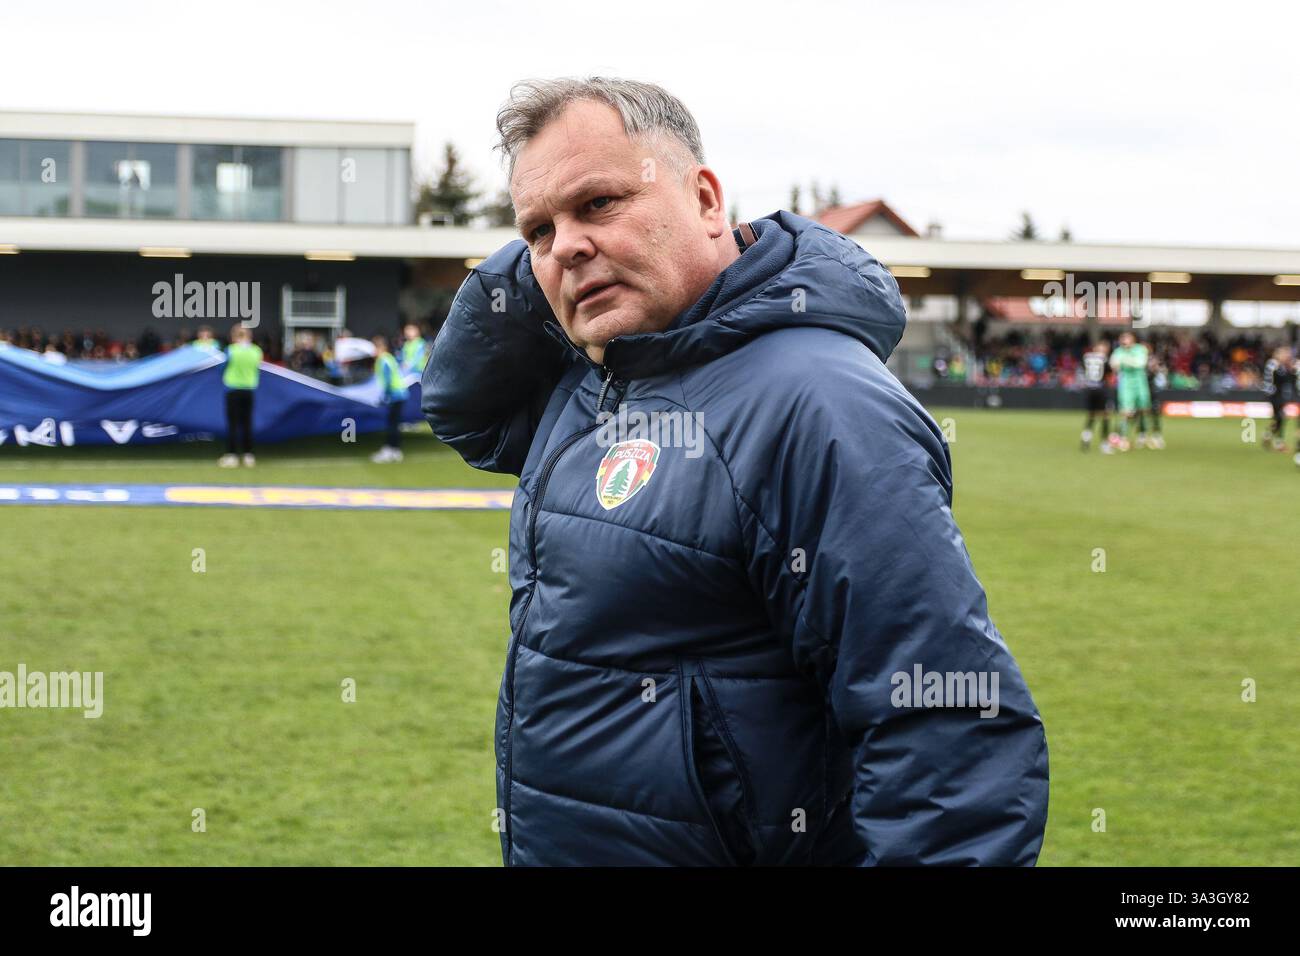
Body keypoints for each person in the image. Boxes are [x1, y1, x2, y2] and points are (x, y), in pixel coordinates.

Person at [422, 77, 1048, 866]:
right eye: (537, 231)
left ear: (708, 200)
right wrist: (561, 236)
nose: (565, 246)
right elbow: (461, 411)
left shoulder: (818, 401)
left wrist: (564, 229)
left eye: (601, 203)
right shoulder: (596, 382)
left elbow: (944, 723)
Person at [220, 324, 261, 467]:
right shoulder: (256, 351)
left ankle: (232, 455)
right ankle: (249, 455)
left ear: (234, 336)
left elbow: (222, 367)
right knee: (247, 423)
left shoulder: (231, 350)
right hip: (249, 390)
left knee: (233, 424)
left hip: (233, 389)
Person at [1109, 330, 1151, 451]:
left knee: (1143, 409)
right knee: (1126, 411)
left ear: (1133, 339)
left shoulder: (1140, 349)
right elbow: (1114, 365)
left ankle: (1142, 434)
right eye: (1123, 339)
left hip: (1140, 383)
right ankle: (1123, 437)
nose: (1124, 341)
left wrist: (1124, 361)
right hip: (1126, 383)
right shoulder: (1118, 351)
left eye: (1127, 338)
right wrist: (1126, 362)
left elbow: (1140, 364)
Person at [370, 335, 409, 463]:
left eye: (374, 348)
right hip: (399, 395)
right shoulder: (388, 358)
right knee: (394, 423)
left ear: (381, 348)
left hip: (395, 395)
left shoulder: (383, 360)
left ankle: (391, 450)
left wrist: (383, 397)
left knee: (392, 424)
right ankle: (394, 450)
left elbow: (386, 381)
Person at [1079, 339, 1114, 453]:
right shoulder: (1104, 358)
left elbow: (1083, 371)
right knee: (1105, 416)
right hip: (1100, 389)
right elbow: (1109, 374)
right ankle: (1105, 444)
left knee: (1091, 415)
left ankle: (1086, 438)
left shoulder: (1086, 357)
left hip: (1089, 389)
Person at [1261, 345, 1296, 452]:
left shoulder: (1281, 366)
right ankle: (1278, 443)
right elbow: (1279, 378)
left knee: (1278, 418)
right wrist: (1289, 369)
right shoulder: (1273, 364)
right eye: (1285, 354)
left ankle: (1268, 435)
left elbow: (1289, 379)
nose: (1287, 356)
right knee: (1280, 417)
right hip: (1274, 394)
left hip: (1280, 394)